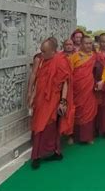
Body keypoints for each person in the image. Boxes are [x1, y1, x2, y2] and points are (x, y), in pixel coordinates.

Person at [28, 38, 71, 169]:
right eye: (41, 51)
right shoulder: (41, 60)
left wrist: (63, 102)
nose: (41, 54)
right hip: (41, 99)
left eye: (44, 51)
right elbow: (38, 79)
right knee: (38, 125)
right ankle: (37, 156)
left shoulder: (61, 61)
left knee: (50, 127)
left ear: (53, 51)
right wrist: (31, 94)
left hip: (53, 100)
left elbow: (65, 82)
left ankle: (53, 152)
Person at [69, 36, 105, 144]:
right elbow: (69, 73)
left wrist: (102, 81)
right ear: (81, 44)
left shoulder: (97, 57)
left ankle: (88, 137)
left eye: (90, 43)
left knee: (89, 112)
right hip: (76, 89)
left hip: (90, 89)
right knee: (76, 112)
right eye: (86, 43)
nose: (89, 46)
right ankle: (73, 136)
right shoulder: (74, 57)